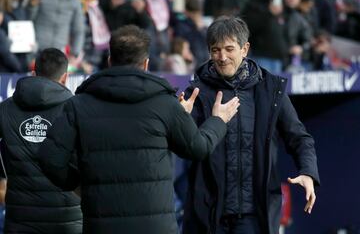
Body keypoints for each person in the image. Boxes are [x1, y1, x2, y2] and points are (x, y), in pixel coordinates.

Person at [37, 25, 240, 234]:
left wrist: (81, 185)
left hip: (101, 226)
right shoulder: (165, 104)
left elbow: (49, 159)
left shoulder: (78, 104)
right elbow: (198, 147)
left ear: (109, 61)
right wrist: (218, 120)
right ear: (146, 64)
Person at [182, 16, 320, 234]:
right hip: (209, 215)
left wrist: (308, 172)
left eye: (229, 49)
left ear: (245, 49)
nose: (222, 57)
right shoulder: (196, 93)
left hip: (255, 216)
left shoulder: (271, 90)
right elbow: (187, 147)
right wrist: (182, 121)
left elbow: (299, 137)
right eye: (215, 50)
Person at [0, 48, 82, 233]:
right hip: (68, 220)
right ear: (65, 77)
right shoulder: (79, 110)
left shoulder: (4, 109)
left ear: (34, 73)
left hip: (20, 219)